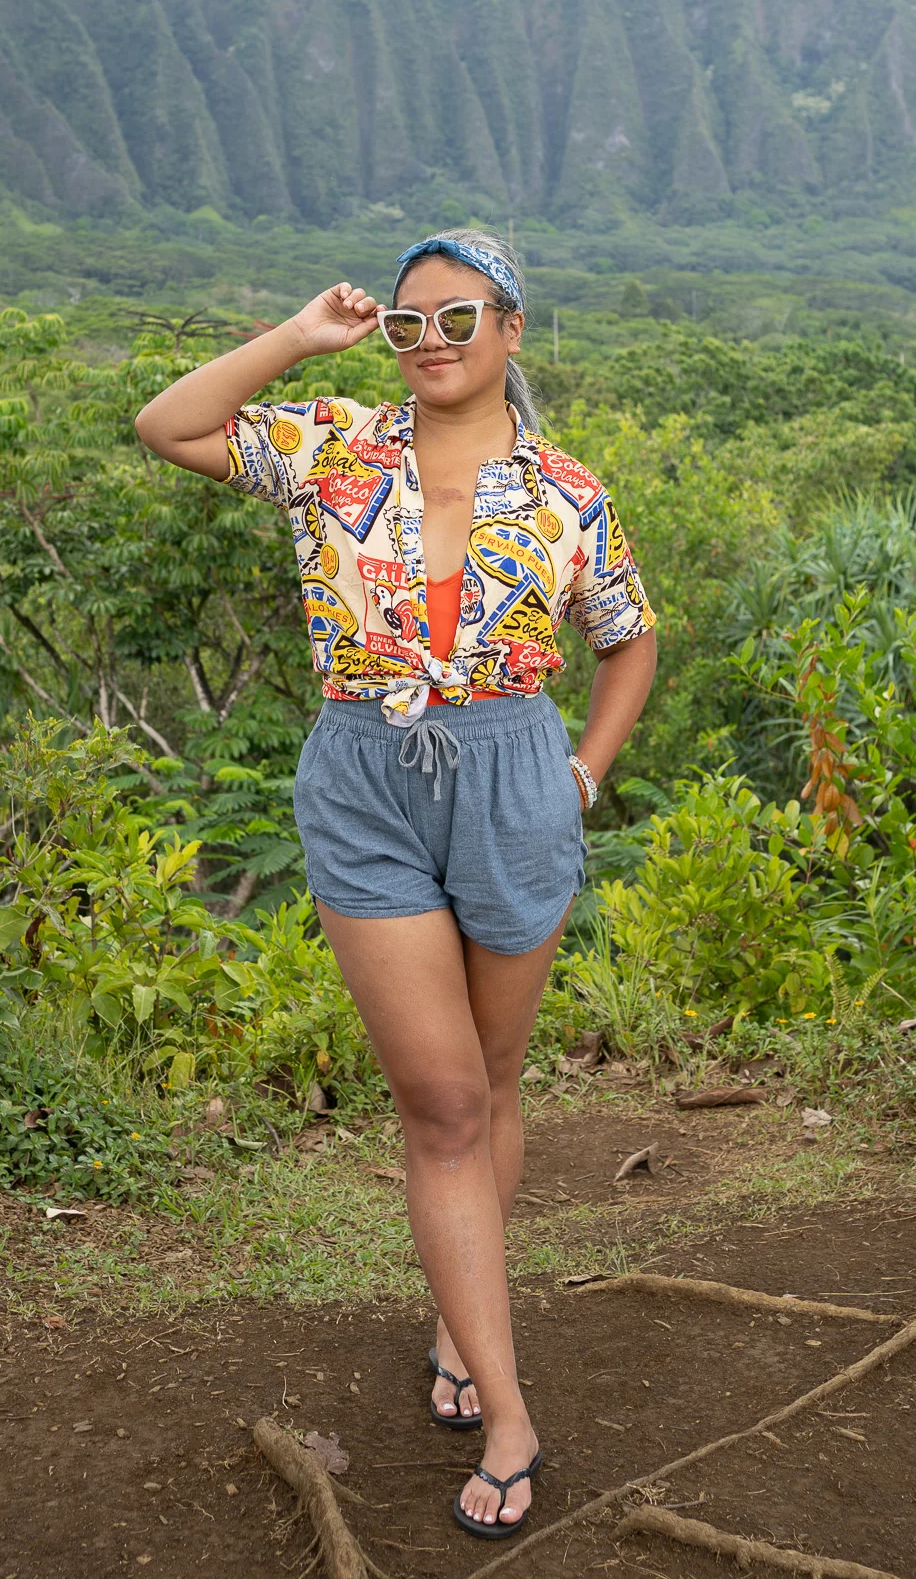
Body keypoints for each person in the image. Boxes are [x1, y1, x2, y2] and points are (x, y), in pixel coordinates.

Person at [135, 229, 657, 1539]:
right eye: (408, 325)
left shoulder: (563, 493)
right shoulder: (335, 449)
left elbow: (628, 637)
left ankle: (452, 1317)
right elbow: (169, 422)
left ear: (513, 329)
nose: (431, 342)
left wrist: (583, 776)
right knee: (438, 1102)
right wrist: (306, 334)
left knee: (492, 1085)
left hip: (513, 773)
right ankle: (511, 1403)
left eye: (458, 318)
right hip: (364, 776)